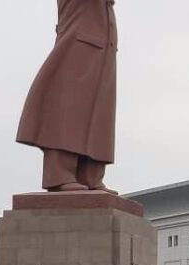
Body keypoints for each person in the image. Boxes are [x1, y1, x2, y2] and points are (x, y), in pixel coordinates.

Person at [17, 0, 118, 194]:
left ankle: (91, 175)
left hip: (103, 51)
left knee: (100, 117)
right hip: (80, 44)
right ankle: (60, 174)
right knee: (68, 111)